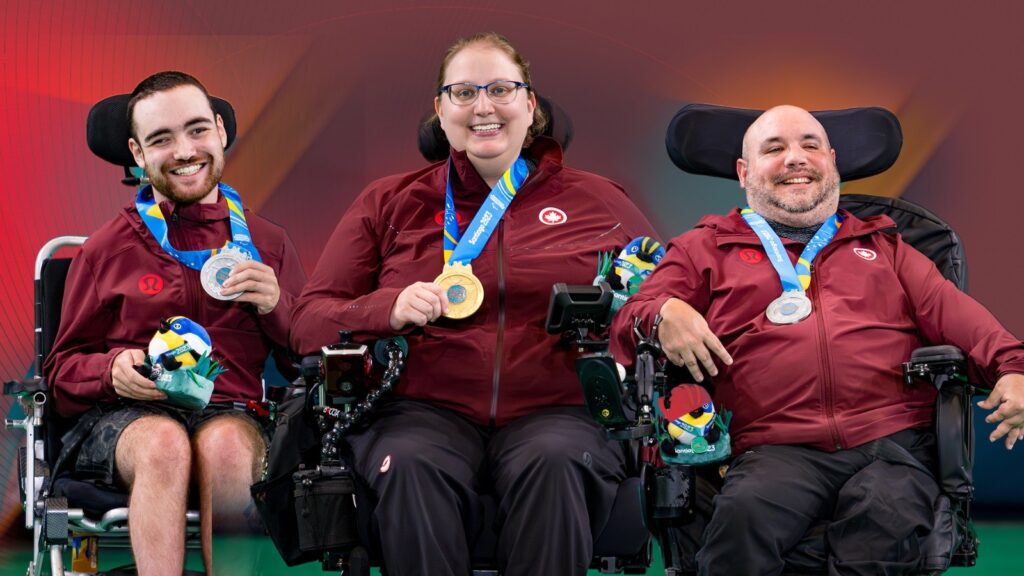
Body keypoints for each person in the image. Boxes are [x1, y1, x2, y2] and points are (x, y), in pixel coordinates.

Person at [290, 32, 657, 576]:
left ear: (530, 107)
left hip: (559, 409)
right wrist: (384, 309)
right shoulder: (389, 201)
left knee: (555, 462)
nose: (483, 106)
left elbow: (657, 296)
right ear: (440, 111)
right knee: (411, 465)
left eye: (501, 89)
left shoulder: (600, 199)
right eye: (463, 92)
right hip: (421, 411)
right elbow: (307, 321)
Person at [610, 105, 1024, 576]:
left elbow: (967, 324)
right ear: (744, 173)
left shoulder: (888, 248)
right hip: (773, 446)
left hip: (888, 444)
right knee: (741, 527)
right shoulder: (703, 248)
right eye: (774, 148)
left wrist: (1014, 369)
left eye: (810, 145)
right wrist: (664, 310)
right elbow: (629, 322)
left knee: (883, 522)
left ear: (832, 161)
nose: (795, 158)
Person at [45, 71, 306, 576]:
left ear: (221, 132)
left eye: (197, 130)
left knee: (228, 447)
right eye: (161, 139)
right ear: (137, 154)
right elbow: (60, 374)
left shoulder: (268, 244)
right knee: (164, 444)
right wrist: (110, 369)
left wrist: (278, 305)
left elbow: (306, 360)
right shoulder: (105, 249)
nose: (185, 150)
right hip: (125, 420)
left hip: (232, 411)